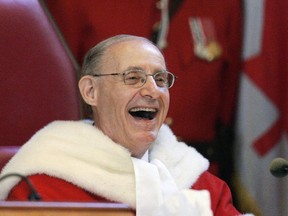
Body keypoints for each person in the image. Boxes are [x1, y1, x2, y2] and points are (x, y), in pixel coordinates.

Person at [0, 35, 251, 216]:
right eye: (133, 78)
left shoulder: (199, 183)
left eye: (161, 79)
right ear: (91, 91)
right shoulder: (41, 186)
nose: (152, 90)